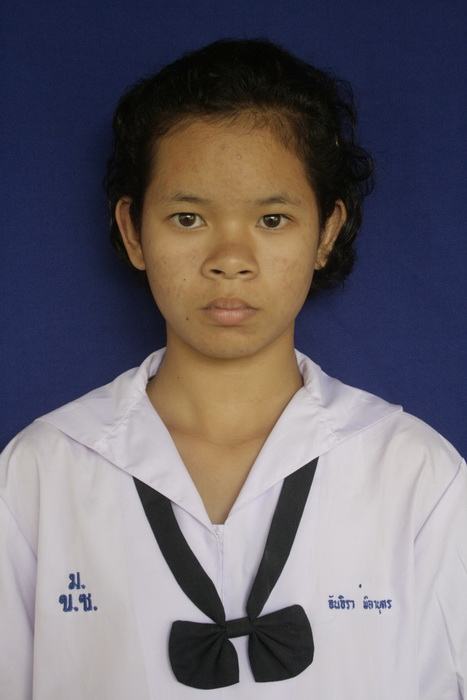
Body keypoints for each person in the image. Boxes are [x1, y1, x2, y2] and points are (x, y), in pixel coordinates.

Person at [1, 39, 465, 699]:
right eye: (187, 218)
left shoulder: (414, 472)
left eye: (272, 219)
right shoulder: (40, 471)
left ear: (325, 232)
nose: (230, 258)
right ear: (133, 231)